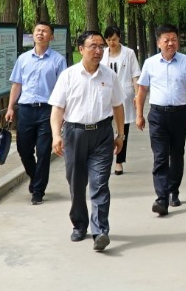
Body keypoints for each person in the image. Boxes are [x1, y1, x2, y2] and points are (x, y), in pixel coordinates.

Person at [48, 30, 125, 252]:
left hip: (102, 134)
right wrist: (56, 135)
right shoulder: (68, 76)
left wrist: (120, 135)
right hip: (74, 134)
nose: (98, 50)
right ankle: (79, 224)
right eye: (93, 46)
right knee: (76, 182)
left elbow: (118, 106)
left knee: (100, 183)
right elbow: (57, 109)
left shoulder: (109, 76)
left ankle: (100, 231)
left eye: (101, 46)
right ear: (81, 49)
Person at [135, 24, 186, 217]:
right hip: (157, 115)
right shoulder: (150, 63)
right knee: (160, 156)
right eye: (166, 40)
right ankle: (161, 198)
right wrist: (139, 114)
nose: (171, 43)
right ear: (158, 43)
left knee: (177, 154)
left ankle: (174, 190)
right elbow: (142, 90)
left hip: (180, 114)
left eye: (174, 39)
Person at [5, 22, 67, 205]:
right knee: (23, 150)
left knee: (43, 152)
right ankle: (34, 176)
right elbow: (17, 84)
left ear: (51, 37)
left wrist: (63, 113)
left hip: (47, 110)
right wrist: (10, 107)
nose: (40, 33)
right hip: (25, 110)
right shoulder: (23, 59)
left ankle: (38, 191)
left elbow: (63, 89)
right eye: (38, 30)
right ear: (33, 34)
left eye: (45, 31)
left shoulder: (58, 60)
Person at [102, 26, 141, 175]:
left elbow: (135, 74)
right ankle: (105, 160)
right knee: (105, 129)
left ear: (119, 38)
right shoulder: (102, 54)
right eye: (108, 40)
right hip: (106, 95)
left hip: (124, 94)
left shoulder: (129, 53)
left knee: (122, 131)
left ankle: (119, 161)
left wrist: (137, 95)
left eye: (114, 39)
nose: (111, 43)